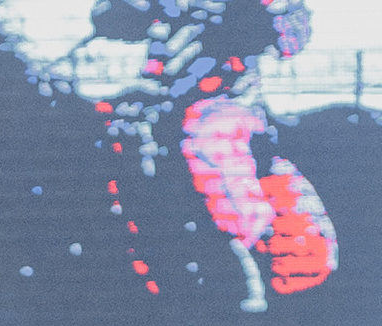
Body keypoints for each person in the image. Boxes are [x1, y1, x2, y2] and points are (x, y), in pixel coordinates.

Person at [92, 0, 335, 306]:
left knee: (208, 142)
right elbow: (111, 16)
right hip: (156, 96)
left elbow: (291, 30)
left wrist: (254, 22)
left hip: (223, 102)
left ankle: (242, 251)